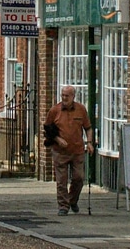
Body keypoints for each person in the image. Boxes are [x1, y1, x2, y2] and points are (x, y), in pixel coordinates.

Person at [43, 86, 94, 216]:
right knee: (62, 180)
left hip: (77, 150)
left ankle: (72, 200)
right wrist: (58, 139)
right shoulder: (55, 110)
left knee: (79, 178)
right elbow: (48, 130)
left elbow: (88, 128)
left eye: (67, 96)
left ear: (73, 97)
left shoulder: (81, 109)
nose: (64, 98)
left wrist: (89, 143)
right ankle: (63, 206)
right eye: (63, 95)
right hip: (60, 151)